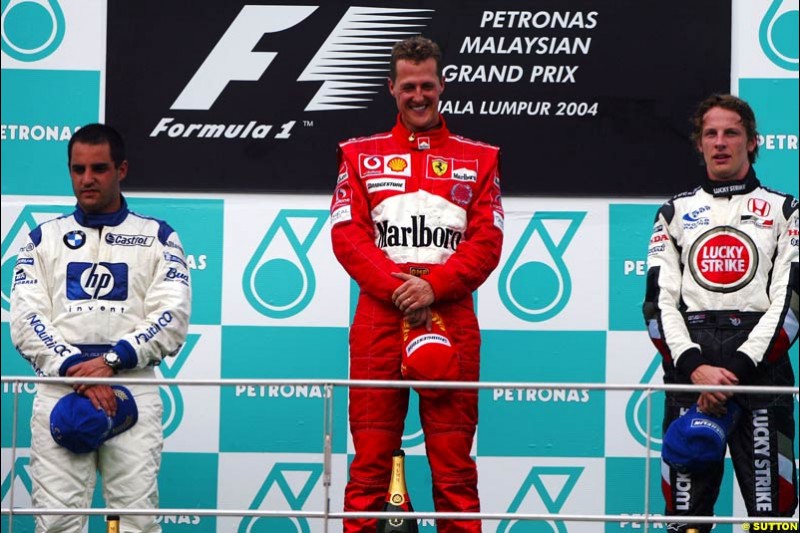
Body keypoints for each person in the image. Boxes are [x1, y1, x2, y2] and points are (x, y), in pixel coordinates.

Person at [330, 36, 504, 533]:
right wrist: (402, 290)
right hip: (379, 319)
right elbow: (348, 238)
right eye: (409, 86)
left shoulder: (480, 158)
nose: (419, 95)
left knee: (454, 472)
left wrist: (435, 287)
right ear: (391, 88)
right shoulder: (359, 155)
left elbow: (486, 242)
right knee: (368, 469)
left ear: (442, 85)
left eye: (427, 84)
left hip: (451, 316)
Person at [10, 123, 192, 532]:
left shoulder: (157, 237)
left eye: (99, 168)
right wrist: (82, 372)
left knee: (134, 522)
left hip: (132, 386)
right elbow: (25, 319)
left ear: (122, 170)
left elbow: (172, 316)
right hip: (61, 388)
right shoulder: (43, 239)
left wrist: (111, 361)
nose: (86, 179)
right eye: (77, 169)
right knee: (56, 522)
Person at [643, 94, 798, 530]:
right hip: (691, 369)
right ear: (699, 144)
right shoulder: (674, 213)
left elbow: (792, 304)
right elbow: (658, 303)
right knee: (685, 518)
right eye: (710, 133)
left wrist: (733, 371)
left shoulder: (786, 211)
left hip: (761, 373)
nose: (720, 142)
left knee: (774, 517)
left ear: (752, 142)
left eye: (732, 132)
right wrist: (695, 368)